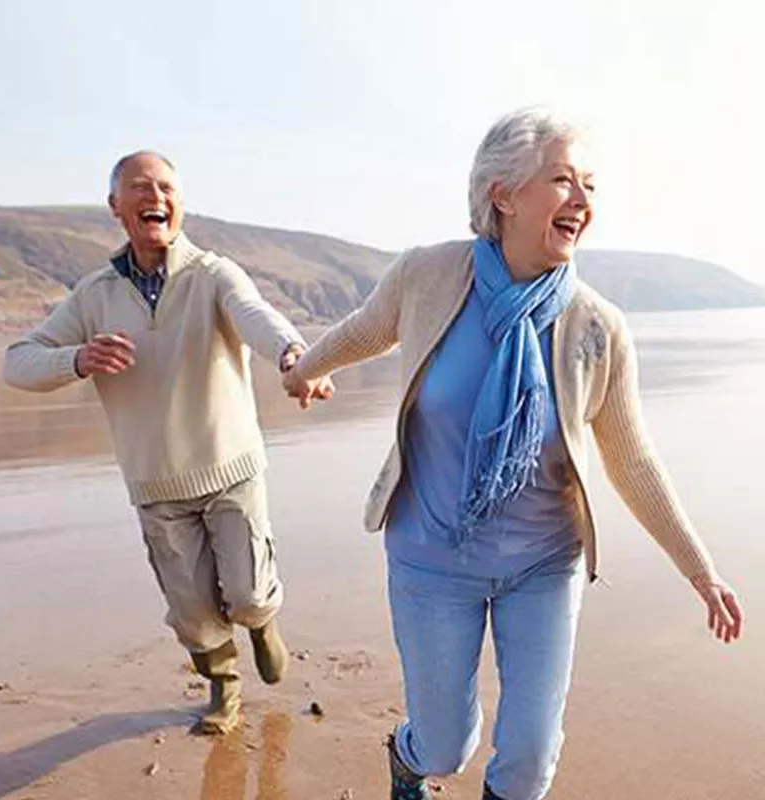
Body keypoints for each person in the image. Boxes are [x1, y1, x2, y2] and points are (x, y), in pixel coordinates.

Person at [282, 108, 744, 800]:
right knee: (445, 746)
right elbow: (362, 333)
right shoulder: (427, 276)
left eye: (590, 185)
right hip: (433, 559)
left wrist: (700, 570)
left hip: (542, 565)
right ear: (503, 193)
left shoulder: (596, 327)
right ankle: (407, 760)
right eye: (563, 181)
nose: (584, 202)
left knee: (529, 760)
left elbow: (634, 460)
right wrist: (302, 370)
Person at [4, 151, 333, 735]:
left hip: (230, 466)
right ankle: (224, 689)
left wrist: (293, 355)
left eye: (165, 187)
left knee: (249, 592)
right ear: (116, 207)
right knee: (194, 612)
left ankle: (262, 622)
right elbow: (18, 364)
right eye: (139, 187)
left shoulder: (213, 273)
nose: (155, 196)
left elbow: (257, 315)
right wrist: (76, 358)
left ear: (180, 201)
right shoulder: (94, 295)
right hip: (155, 483)